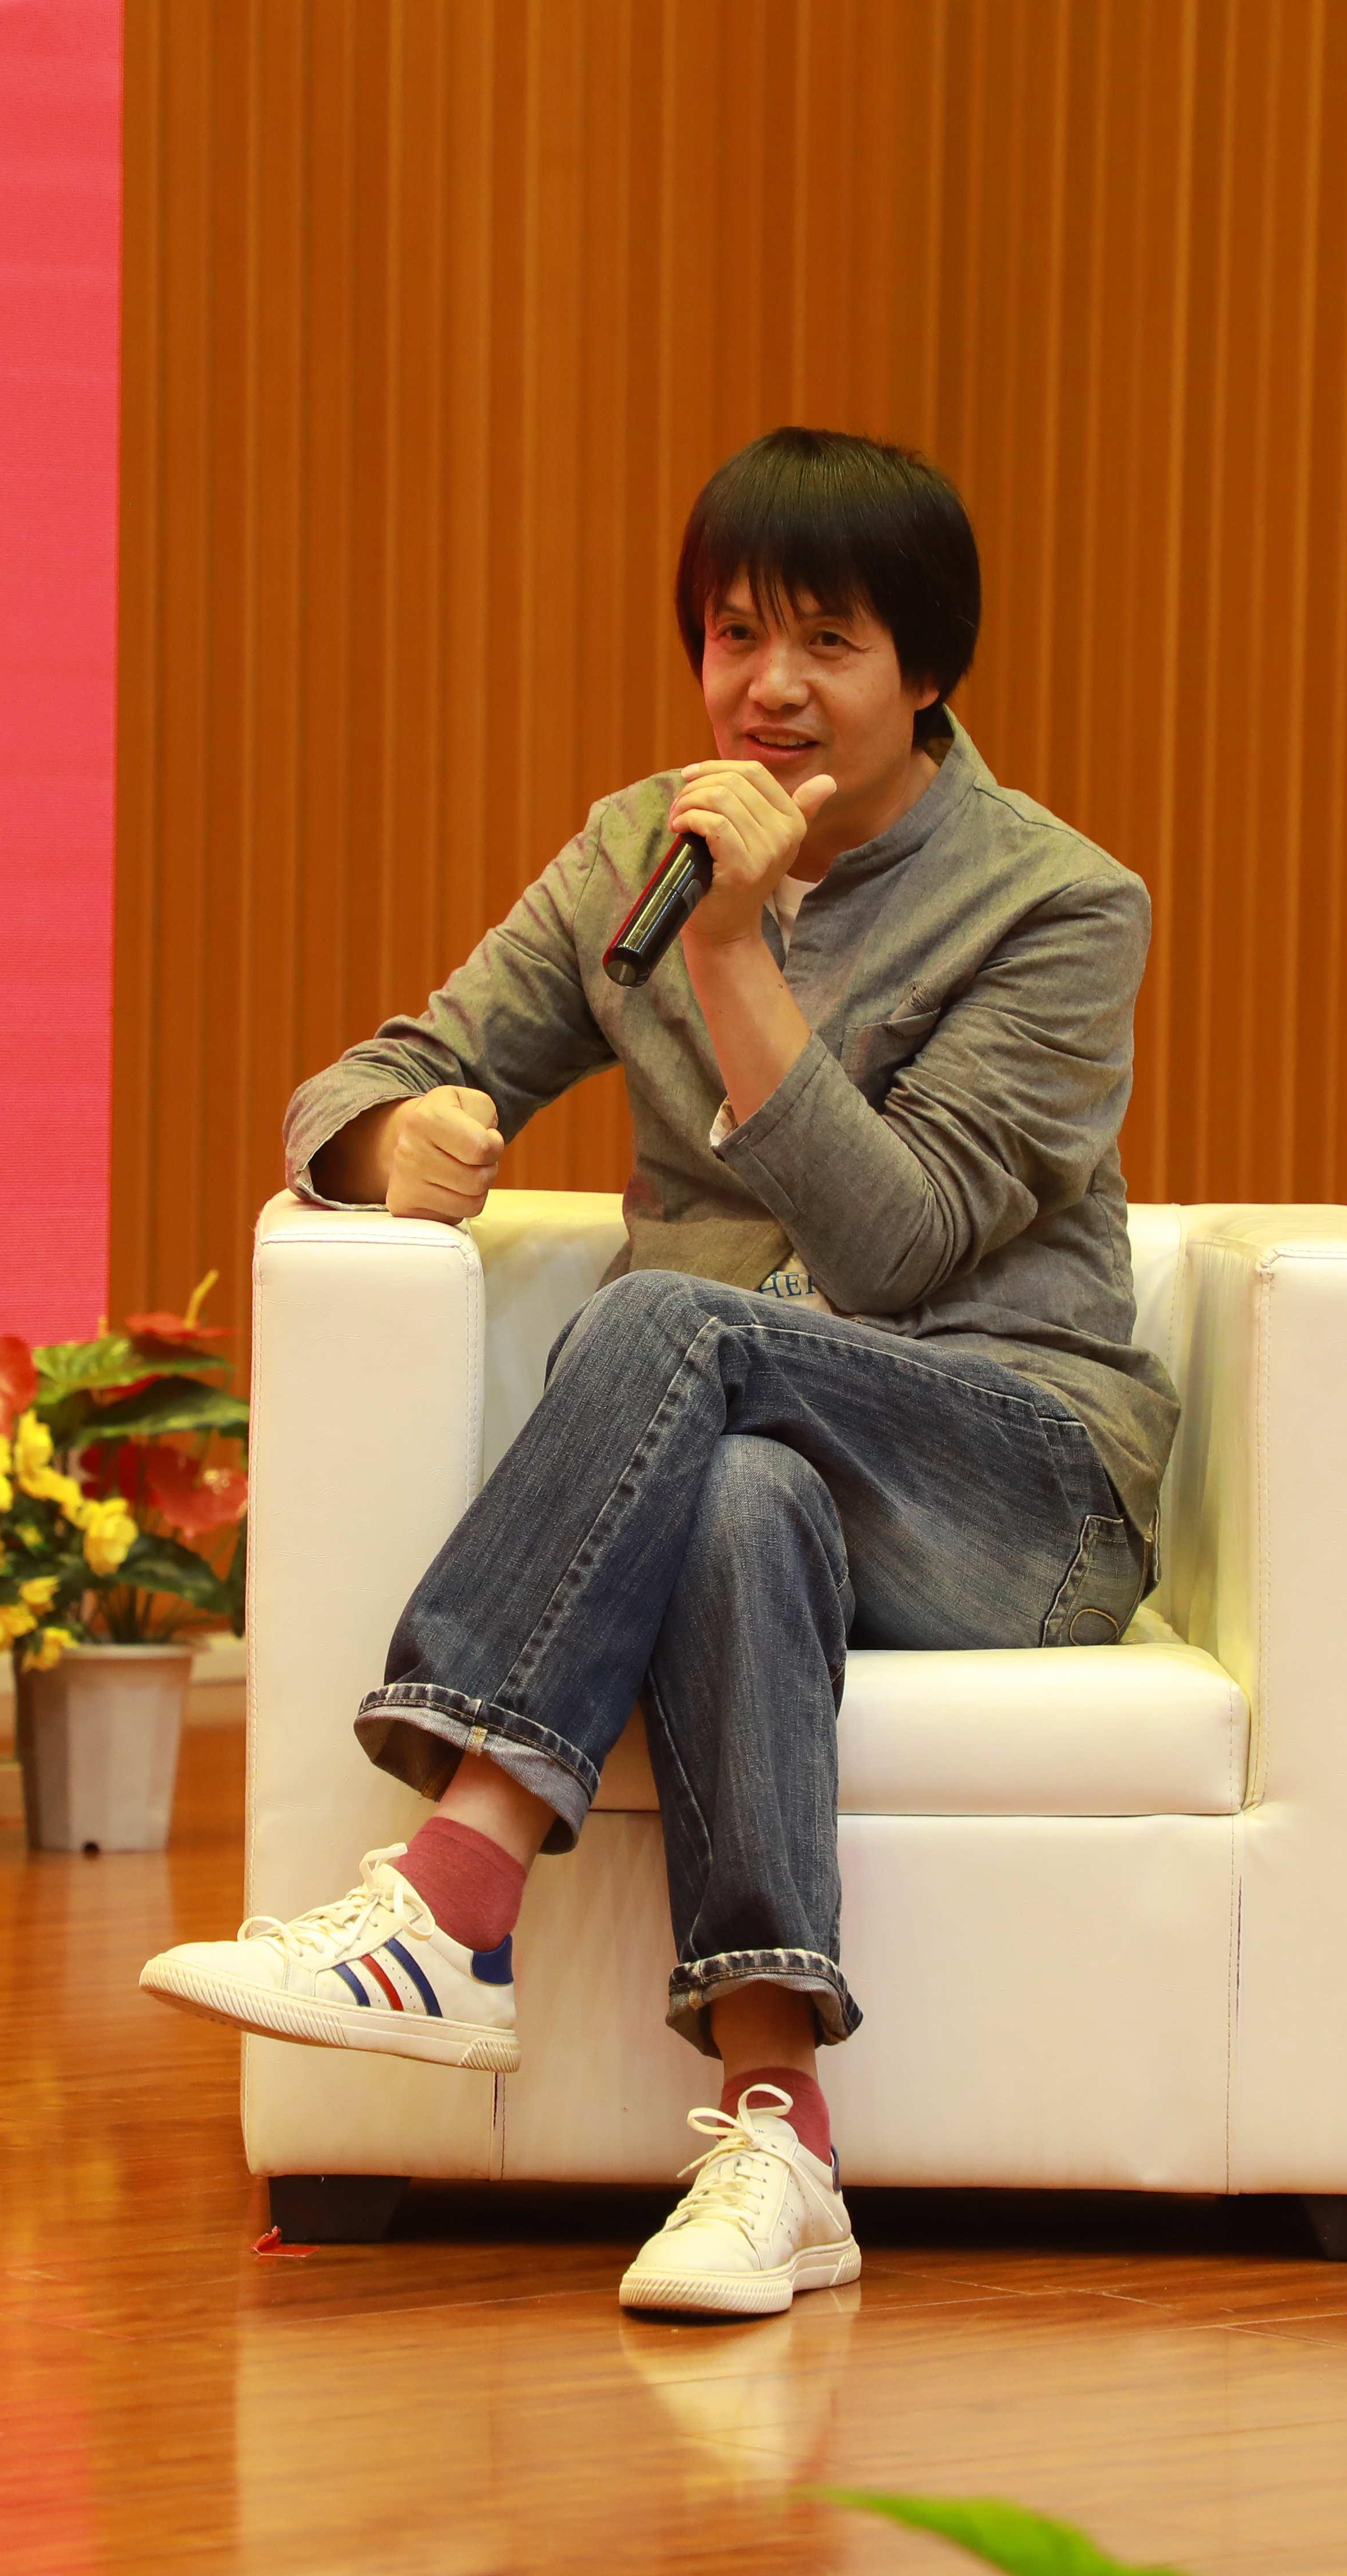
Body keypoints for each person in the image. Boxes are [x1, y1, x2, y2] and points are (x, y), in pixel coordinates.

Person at [139, 427, 1173, 2318]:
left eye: (828, 642)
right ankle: (780, 2138)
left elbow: (899, 1248)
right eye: (734, 635)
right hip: (770, 1457)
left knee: (665, 1327)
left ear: (928, 671)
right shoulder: (638, 844)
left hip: (1017, 1481)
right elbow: (368, 1073)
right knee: (739, 1494)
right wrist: (389, 1143)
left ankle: (452, 1898)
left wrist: (728, 949)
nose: (770, 686)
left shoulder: (1058, 905)